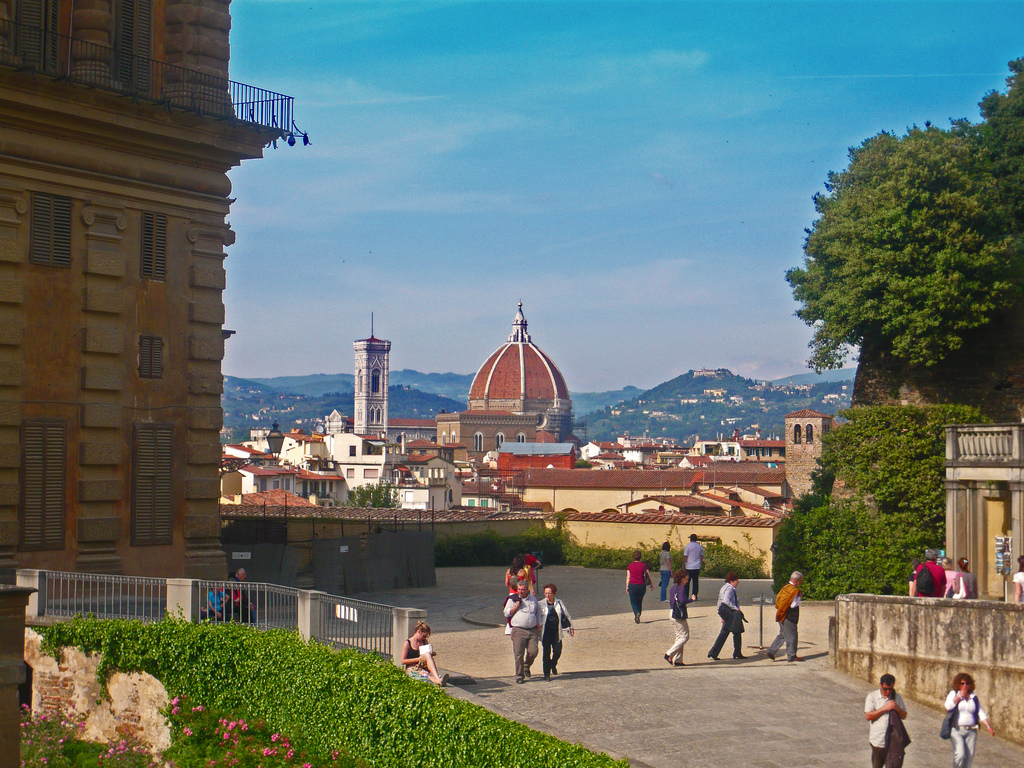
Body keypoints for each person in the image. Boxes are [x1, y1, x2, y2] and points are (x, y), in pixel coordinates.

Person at [943, 672, 995, 768]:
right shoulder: (953, 694)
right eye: (962, 683)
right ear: (958, 684)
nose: (965, 686)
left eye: (967, 683)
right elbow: (948, 707)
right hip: (957, 730)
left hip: (972, 731)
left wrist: (988, 726)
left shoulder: (973, 697)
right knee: (960, 754)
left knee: (969, 757)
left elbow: (980, 711)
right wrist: (959, 697)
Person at [864, 673, 908, 768]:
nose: (888, 692)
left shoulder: (897, 697)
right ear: (880, 685)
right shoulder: (872, 697)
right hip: (878, 741)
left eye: (890, 689)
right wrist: (885, 708)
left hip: (893, 742)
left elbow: (904, 715)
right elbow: (868, 716)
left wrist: (897, 708)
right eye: (885, 689)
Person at [504, 578, 541, 683]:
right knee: (518, 653)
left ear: (527, 589)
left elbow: (537, 612)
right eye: (519, 589)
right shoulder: (512, 599)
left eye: (523, 589)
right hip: (519, 630)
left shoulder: (533, 599)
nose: (520, 591)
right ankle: (519, 675)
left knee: (533, 652)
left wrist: (539, 623)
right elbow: (506, 613)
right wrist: (516, 606)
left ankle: (526, 665)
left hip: (533, 630)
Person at [538, 583, 574, 680]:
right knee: (546, 653)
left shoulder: (559, 602)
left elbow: (567, 614)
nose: (547, 595)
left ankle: (553, 664)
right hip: (546, 632)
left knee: (557, 651)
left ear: (554, 593)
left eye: (549, 593)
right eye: (546, 593)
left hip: (556, 632)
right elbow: (537, 617)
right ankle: (546, 674)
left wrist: (571, 627)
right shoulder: (540, 603)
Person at [765, 571, 803, 662]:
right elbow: (793, 605)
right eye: (800, 581)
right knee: (792, 636)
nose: (801, 583)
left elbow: (778, 600)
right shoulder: (794, 591)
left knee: (783, 634)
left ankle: (771, 651)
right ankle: (792, 656)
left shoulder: (785, 587)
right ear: (796, 580)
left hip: (781, 613)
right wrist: (799, 598)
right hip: (790, 616)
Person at [707, 572, 745, 660]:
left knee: (733, 632)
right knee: (731, 632)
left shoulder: (724, 587)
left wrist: (722, 615)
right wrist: (736, 609)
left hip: (726, 613)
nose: (738, 583)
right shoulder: (730, 589)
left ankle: (735, 652)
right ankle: (715, 652)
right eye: (737, 581)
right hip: (731, 614)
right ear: (732, 581)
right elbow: (726, 601)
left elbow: (719, 602)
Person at [400, 620, 449, 686]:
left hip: (422, 666)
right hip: (412, 668)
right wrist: (419, 659)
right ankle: (438, 679)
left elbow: (426, 658)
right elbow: (403, 661)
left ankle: (438, 680)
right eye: (424, 636)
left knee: (426, 672)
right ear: (419, 632)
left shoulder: (424, 642)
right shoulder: (408, 643)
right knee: (425, 675)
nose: (425, 638)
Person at [664, 570, 689, 666]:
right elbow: (682, 601)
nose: (687, 581)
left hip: (671, 612)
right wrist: (691, 599)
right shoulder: (682, 588)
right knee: (685, 636)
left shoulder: (673, 588)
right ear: (682, 579)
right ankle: (669, 654)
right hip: (678, 614)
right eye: (686, 579)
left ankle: (678, 660)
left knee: (679, 636)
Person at [625, 550, 651, 623]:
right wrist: (652, 584)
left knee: (633, 601)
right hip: (642, 585)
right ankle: (639, 612)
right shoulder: (644, 565)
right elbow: (648, 575)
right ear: (640, 557)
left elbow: (628, 577)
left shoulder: (630, 565)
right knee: (640, 601)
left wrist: (627, 586)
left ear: (633, 557)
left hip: (633, 585)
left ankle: (636, 613)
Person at [682, 534, 705, 601]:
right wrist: (700, 562)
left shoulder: (688, 546)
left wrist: (683, 564)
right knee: (695, 582)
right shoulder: (700, 547)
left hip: (689, 566)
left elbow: (685, 556)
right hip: (696, 566)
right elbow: (702, 556)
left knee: (687, 582)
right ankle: (694, 595)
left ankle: (686, 596)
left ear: (690, 539)